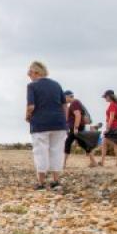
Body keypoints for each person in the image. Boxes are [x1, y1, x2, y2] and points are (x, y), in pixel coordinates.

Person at [24, 61, 67, 190]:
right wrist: (64, 120)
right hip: (58, 123)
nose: (28, 75)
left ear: (37, 72)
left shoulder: (32, 86)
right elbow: (64, 105)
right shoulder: (56, 85)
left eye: (30, 72)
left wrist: (27, 116)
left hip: (40, 123)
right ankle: (56, 180)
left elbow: (31, 106)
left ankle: (41, 182)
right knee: (57, 150)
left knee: (40, 151)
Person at [63, 90, 97, 168]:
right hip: (77, 127)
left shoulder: (75, 103)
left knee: (68, 143)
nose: (64, 100)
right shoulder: (75, 103)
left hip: (76, 127)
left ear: (67, 96)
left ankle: (63, 164)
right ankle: (94, 162)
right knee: (83, 144)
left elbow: (77, 115)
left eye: (64, 97)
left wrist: (76, 128)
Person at [99, 89, 117, 167]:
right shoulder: (116, 105)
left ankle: (103, 161)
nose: (105, 98)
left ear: (109, 96)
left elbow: (111, 118)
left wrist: (107, 128)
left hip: (113, 127)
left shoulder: (112, 105)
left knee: (107, 143)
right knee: (114, 144)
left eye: (105, 97)